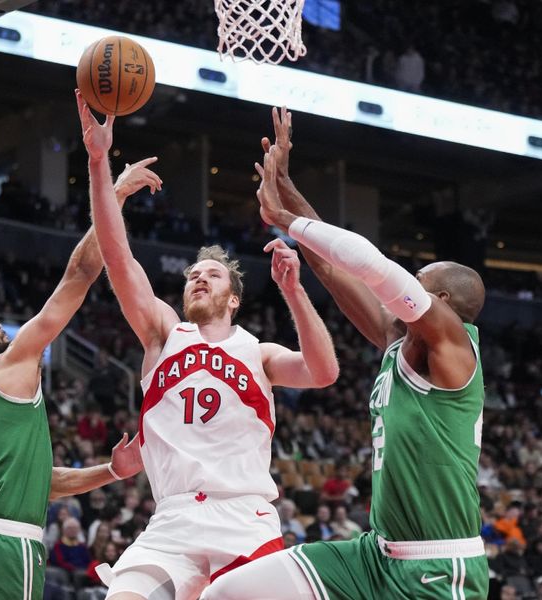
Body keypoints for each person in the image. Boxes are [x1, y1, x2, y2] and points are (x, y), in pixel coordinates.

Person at [201, 107, 488, 599]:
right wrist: (286, 187)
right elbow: (338, 272)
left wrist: (285, 218)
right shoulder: (402, 342)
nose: (403, 290)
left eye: (418, 284)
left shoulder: (451, 347)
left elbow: (374, 267)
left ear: (439, 305)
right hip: (372, 555)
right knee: (224, 594)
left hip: (439, 566)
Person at [76, 90, 339, 600]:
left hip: (244, 516)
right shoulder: (162, 332)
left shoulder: (259, 352)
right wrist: (98, 163)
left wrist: (295, 291)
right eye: (193, 274)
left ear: (233, 298)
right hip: (173, 518)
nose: (198, 278)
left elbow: (323, 371)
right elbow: (116, 253)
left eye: (212, 275)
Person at [0, 99, 158, 599]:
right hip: (8, 549)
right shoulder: (7, 364)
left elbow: (47, 483)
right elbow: (79, 276)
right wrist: (114, 190)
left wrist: (110, 471)